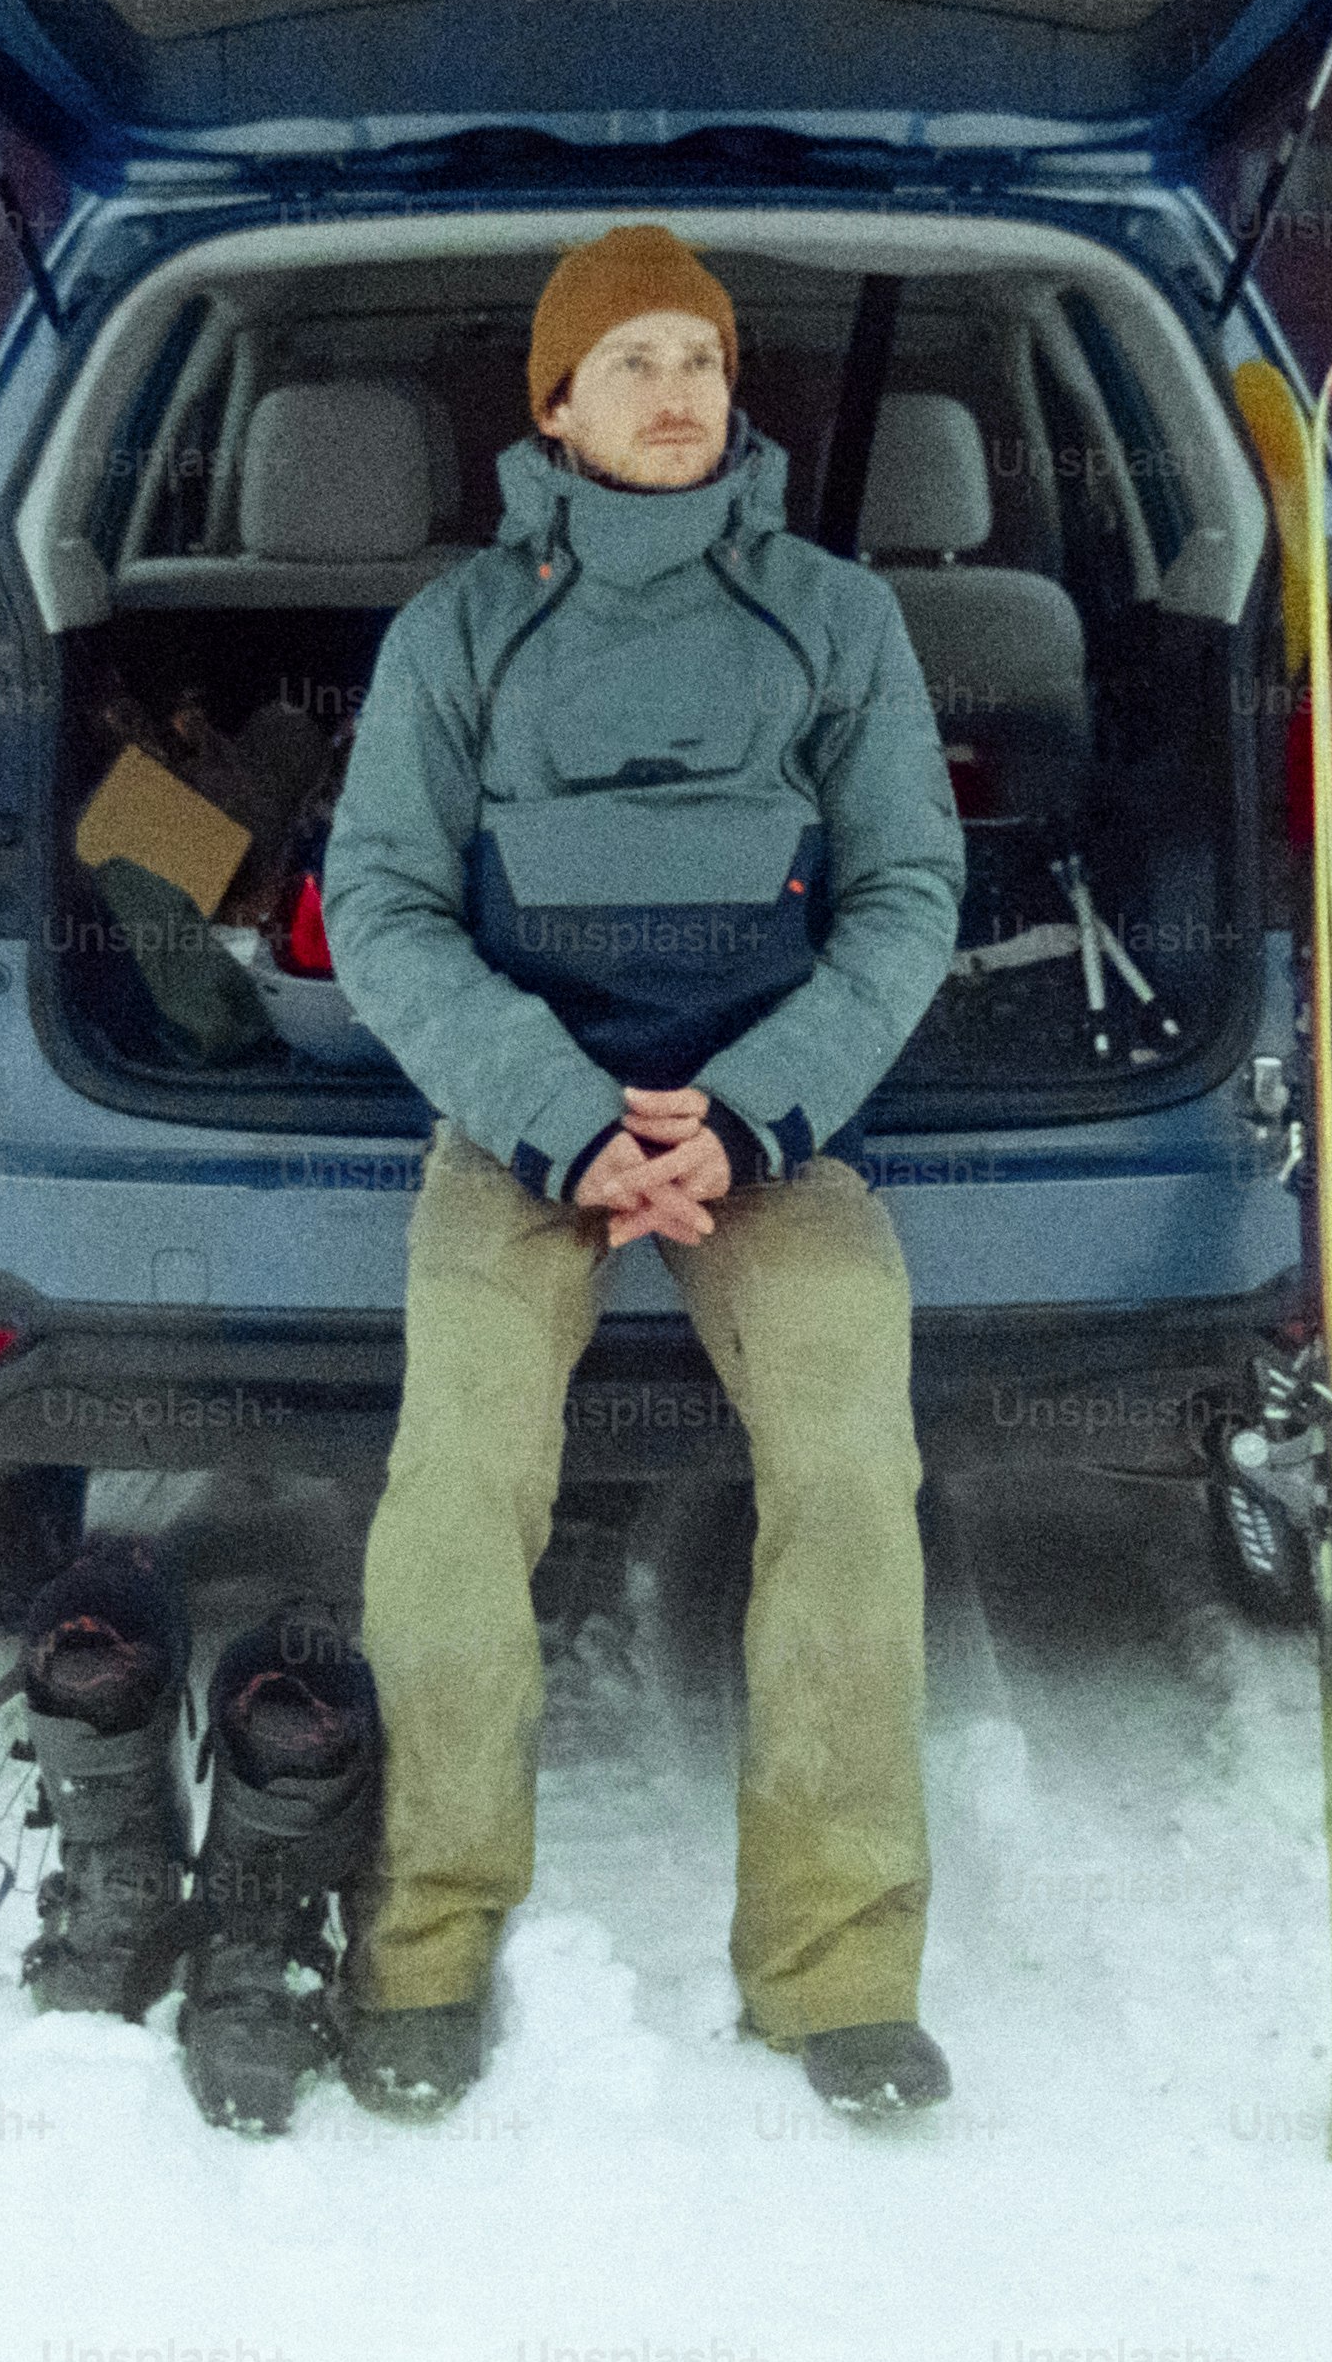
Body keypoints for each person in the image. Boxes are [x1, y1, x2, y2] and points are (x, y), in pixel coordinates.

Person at [316, 221, 969, 2123]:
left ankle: (838, 1971)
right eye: (632, 362)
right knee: (455, 1481)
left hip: (762, 1132)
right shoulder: (457, 630)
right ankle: (422, 1946)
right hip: (527, 1126)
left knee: (849, 1467)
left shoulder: (835, 616)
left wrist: (746, 1113)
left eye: (700, 358)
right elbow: (383, 905)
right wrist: (561, 1115)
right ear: (556, 403)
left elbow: (907, 891)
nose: (676, 393)